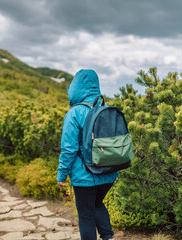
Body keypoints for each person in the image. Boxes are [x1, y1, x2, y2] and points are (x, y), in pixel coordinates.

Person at [57, 69, 117, 240]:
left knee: (86, 216)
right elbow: (115, 144)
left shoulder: (74, 113)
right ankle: (108, 237)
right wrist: (115, 172)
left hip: (84, 176)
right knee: (98, 205)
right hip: (108, 173)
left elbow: (69, 149)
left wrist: (61, 174)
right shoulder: (107, 109)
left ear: (76, 88)